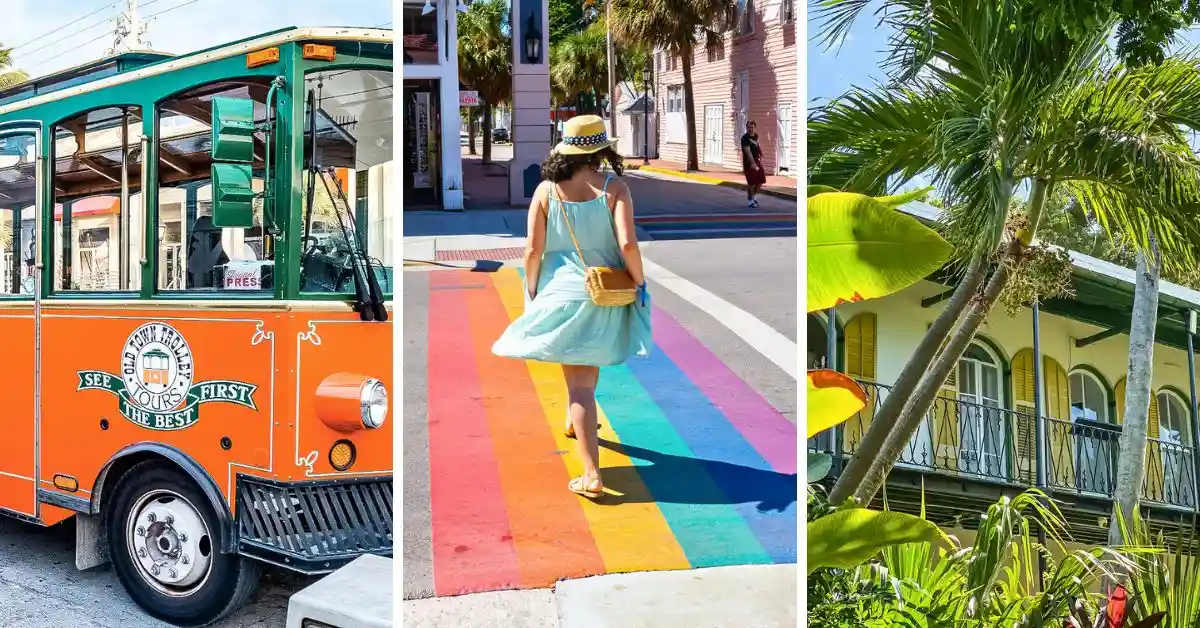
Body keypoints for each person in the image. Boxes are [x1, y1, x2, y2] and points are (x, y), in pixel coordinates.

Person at [492, 115, 652, 500]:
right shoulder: (615, 188)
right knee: (586, 372)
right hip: (604, 292)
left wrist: (532, 289)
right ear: (601, 149)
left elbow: (532, 249)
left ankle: (591, 473)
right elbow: (628, 245)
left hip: (560, 293)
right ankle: (575, 421)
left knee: (577, 383)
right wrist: (639, 282)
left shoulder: (546, 191)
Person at [741, 120, 766, 207]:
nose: (750, 129)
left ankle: (754, 197)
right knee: (751, 183)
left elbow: (757, 145)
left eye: (752, 127)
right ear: (746, 128)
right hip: (749, 163)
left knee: (761, 180)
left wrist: (761, 153)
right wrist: (753, 164)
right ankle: (750, 201)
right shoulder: (745, 138)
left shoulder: (756, 136)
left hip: (757, 161)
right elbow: (748, 152)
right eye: (748, 127)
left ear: (755, 128)